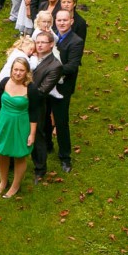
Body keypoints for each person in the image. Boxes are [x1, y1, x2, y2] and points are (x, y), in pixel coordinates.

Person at [0, 58, 41, 198]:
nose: (18, 73)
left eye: (21, 70)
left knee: (19, 154)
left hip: (21, 123)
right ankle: (3, 182)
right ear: (11, 70)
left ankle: (15, 186)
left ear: (27, 72)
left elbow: (34, 113)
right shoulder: (4, 82)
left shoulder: (31, 88)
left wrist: (32, 134)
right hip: (4, 121)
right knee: (2, 151)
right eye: (16, 69)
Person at [49, 9, 85, 173]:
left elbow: (72, 66)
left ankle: (65, 157)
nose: (61, 23)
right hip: (46, 86)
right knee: (43, 117)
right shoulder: (51, 36)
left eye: (65, 20)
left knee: (61, 122)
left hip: (63, 88)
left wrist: (50, 70)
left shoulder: (76, 41)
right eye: (59, 20)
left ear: (71, 21)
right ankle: (47, 146)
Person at [29, 31, 63, 183]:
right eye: (38, 42)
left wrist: (23, 93)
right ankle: (10, 163)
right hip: (21, 104)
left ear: (51, 45)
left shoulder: (55, 65)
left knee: (38, 137)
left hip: (37, 106)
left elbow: (43, 90)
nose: (40, 45)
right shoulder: (30, 57)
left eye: (43, 42)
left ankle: (40, 169)